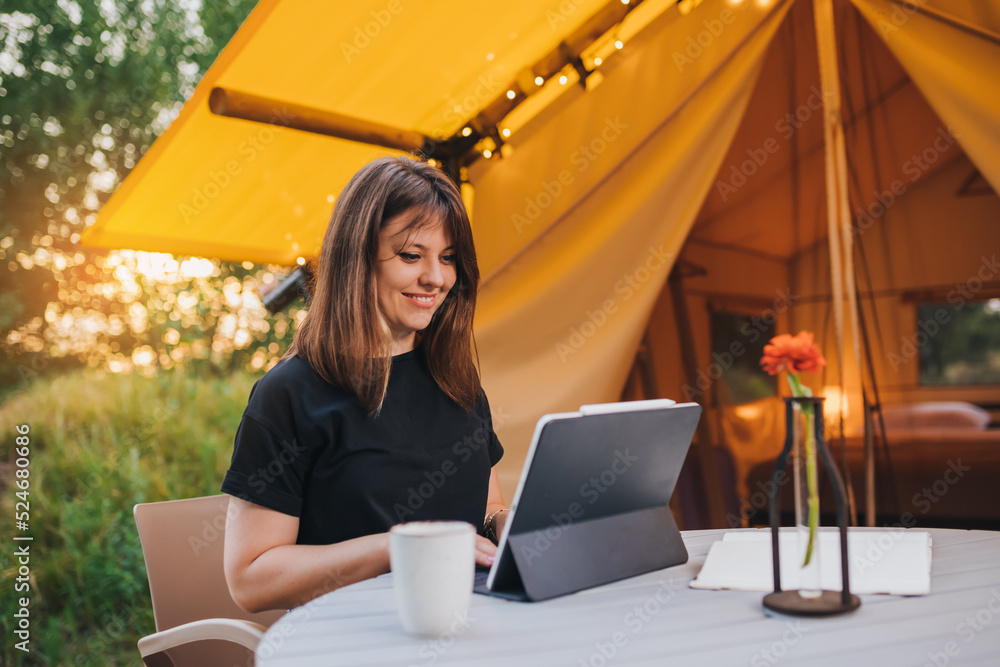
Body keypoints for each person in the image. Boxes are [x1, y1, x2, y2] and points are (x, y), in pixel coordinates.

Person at [221, 156, 509, 613]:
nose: (436, 278)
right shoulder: (288, 395)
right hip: (355, 638)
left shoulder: (456, 378)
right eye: (412, 255)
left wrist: (505, 524)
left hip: (466, 620)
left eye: (448, 258)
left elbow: (487, 500)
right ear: (356, 258)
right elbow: (251, 579)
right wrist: (395, 551)